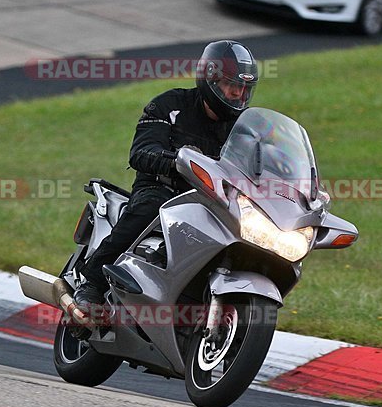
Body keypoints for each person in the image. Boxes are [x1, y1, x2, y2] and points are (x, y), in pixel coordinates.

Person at [73, 40, 259, 324]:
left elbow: (262, 167)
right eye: (231, 85)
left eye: (245, 88)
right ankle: (92, 284)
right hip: (163, 188)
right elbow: (141, 152)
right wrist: (175, 161)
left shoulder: (245, 129)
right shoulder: (170, 105)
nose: (238, 93)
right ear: (209, 78)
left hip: (213, 202)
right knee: (148, 209)